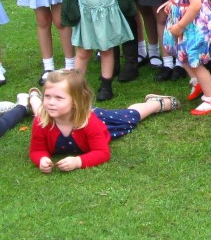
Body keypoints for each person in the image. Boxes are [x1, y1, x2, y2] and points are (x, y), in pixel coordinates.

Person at [29, 70, 179, 172]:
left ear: (76, 101)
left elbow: (102, 152)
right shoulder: (42, 121)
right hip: (53, 115)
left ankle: (155, 104)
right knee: (41, 113)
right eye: (47, 96)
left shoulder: (89, 122)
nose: (51, 102)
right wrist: (41, 159)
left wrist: (78, 162)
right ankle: (34, 98)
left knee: (129, 118)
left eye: (59, 98)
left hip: (99, 119)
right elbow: (37, 149)